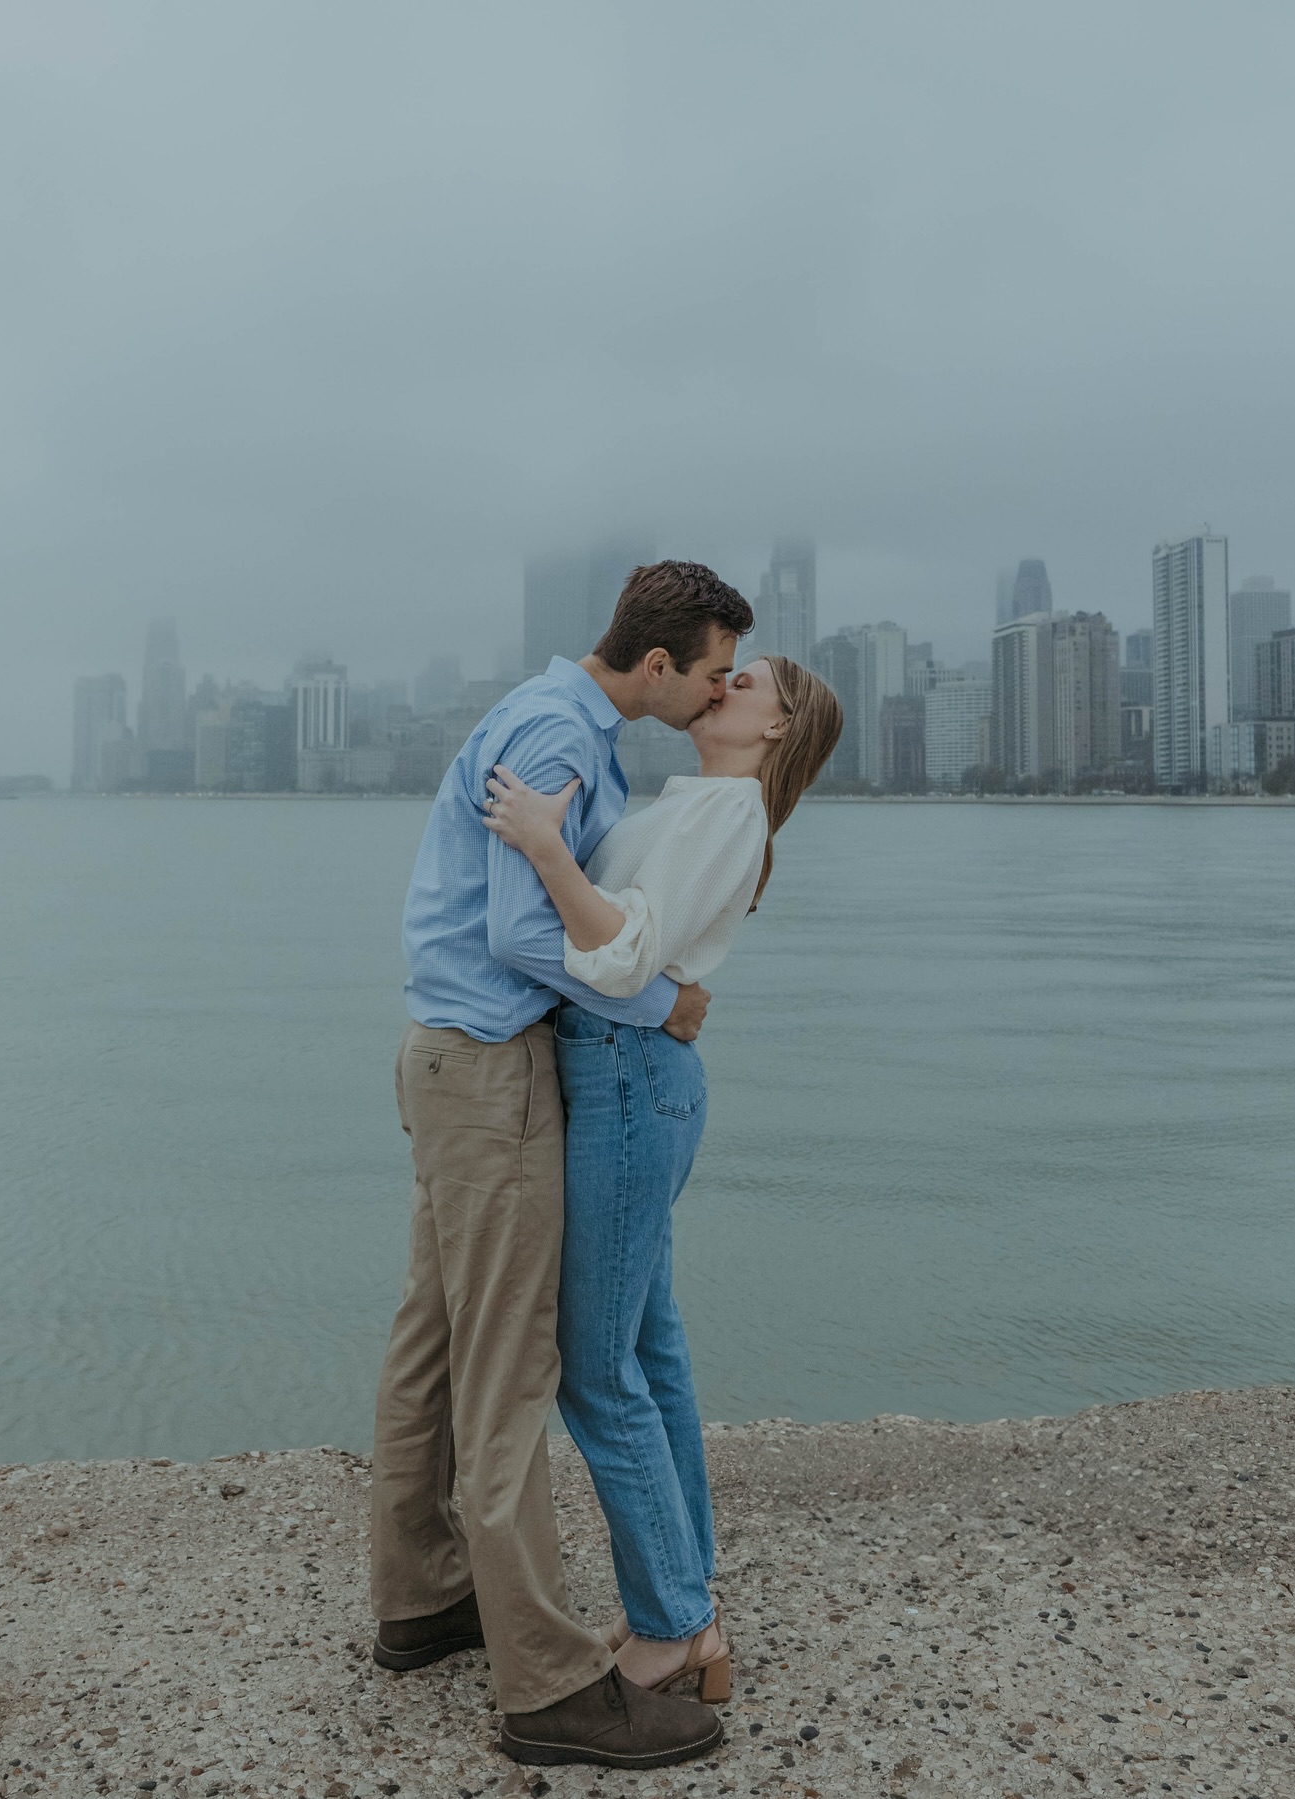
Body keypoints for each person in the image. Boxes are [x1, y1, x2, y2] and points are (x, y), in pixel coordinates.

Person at [369, 561, 755, 1771]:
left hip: (455, 1063)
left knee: (434, 1337)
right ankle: (545, 1680)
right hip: (487, 1075)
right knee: (508, 1372)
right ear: (655, 665)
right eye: (706, 672)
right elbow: (520, 925)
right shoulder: (560, 732)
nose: (713, 693)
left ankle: (426, 1596)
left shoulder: (566, 722)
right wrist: (663, 1007)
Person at [481, 651, 842, 1701]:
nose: (725, 681)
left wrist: (547, 849)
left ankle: (676, 1624)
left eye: (752, 679)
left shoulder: (727, 811)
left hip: (631, 1078)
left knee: (596, 1364)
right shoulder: (700, 799)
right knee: (648, 1342)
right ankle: (687, 1589)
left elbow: (627, 958)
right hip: (637, 1075)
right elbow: (651, 959)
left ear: (779, 727)